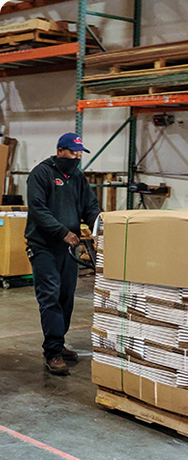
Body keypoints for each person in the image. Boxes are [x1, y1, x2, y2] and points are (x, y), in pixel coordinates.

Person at [25, 133, 100, 376]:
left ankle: (59, 342)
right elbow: (38, 209)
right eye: (72, 152)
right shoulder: (42, 173)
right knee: (50, 297)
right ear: (60, 151)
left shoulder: (77, 177)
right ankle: (52, 353)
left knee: (66, 296)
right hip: (44, 247)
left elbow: (90, 206)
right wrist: (62, 232)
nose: (77, 157)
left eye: (80, 153)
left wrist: (99, 228)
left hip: (69, 248)